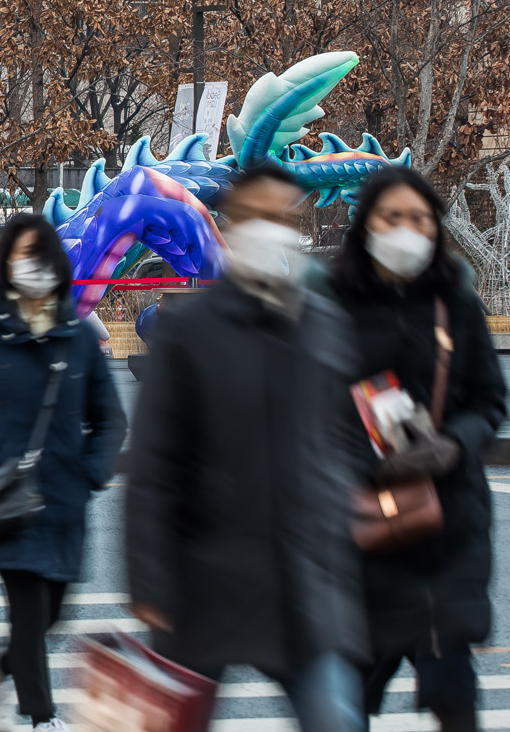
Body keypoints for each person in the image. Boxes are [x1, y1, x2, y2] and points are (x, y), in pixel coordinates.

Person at [123, 164, 367, 732]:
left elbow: (346, 441)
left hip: (303, 584)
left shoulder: (324, 325)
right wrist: (149, 583)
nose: (272, 228)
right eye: (257, 214)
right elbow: (155, 464)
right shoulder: (191, 330)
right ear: (231, 224)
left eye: (283, 216)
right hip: (203, 584)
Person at [330, 167, 508, 731]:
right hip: (358, 533)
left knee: (454, 698)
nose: (407, 230)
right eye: (393, 217)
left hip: (447, 526)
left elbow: (491, 402)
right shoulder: (330, 308)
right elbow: (308, 413)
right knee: (345, 704)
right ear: (366, 225)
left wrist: (454, 445)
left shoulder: (457, 303)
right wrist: (366, 464)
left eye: (421, 219)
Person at [0, 213, 125, 732]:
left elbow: (109, 417)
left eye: (40, 254)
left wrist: (92, 472)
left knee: (54, 612)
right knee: (27, 607)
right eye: (21, 255)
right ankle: (41, 718)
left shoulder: (77, 334)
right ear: (6, 263)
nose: (33, 266)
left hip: (65, 499)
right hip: (8, 501)